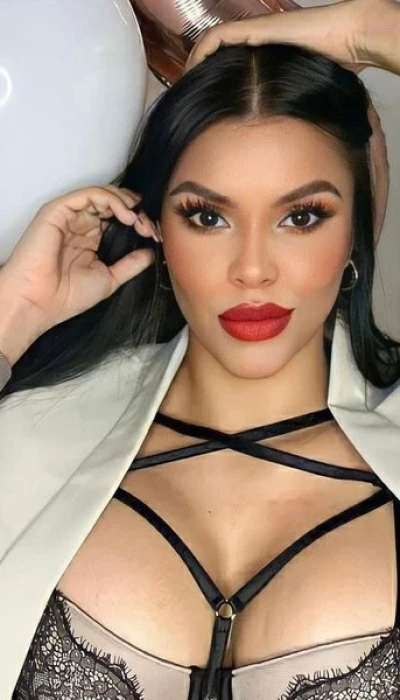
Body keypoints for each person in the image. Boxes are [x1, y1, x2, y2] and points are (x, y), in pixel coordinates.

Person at [1, 0, 400, 697]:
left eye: (301, 216)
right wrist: (12, 318)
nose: (253, 270)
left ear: (355, 231)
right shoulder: (29, 436)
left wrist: (362, 30)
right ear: (156, 224)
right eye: (209, 216)